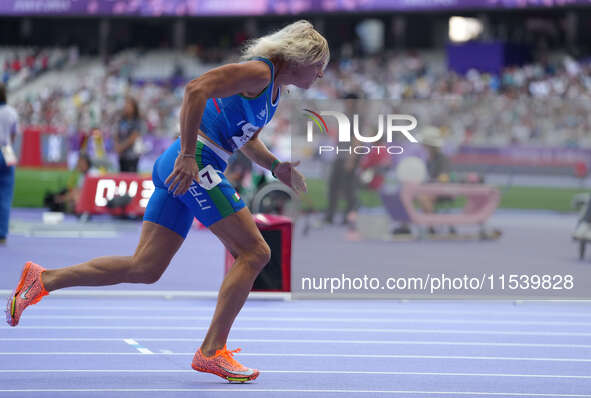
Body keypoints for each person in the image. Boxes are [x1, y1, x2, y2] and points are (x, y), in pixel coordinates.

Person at [5, 20, 329, 383]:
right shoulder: (259, 72)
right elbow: (195, 89)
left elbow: (244, 138)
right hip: (195, 164)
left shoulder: (272, 92)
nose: (320, 76)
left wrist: (274, 166)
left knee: (145, 267)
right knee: (256, 253)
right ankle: (211, 351)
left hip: (186, 165)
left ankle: (43, 279)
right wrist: (189, 155)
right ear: (302, 58)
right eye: (320, 67)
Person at [0, 82, 19, 246]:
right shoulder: (11, 112)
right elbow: (14, 135)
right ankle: (2, 234)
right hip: (7, 150)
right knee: (5, 194)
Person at [114, 97, 143, 173]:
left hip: (132, 156)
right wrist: (117, 145)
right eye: (125, 105)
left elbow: (133, 138)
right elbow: (116, 134)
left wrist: (121, 147)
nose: (126, 107)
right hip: (122, 156)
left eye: (129, 105)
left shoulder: (137, 121)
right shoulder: (121, 120)